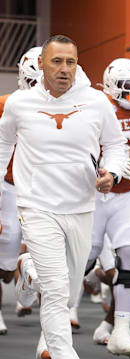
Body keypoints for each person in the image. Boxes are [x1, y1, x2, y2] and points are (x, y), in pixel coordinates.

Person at [0, 35, 130, 359]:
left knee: (69, 291)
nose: (64, 69)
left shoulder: (96, 101)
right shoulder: (20, 103)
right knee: (58, 290)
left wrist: (111, 173)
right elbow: (3, 145)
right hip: (36, 206)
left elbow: (116, 146)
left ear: (78, 65)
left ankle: (29, 271)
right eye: (56, 62)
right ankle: (62, 353)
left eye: (70, 62)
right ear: (42, 64)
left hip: (82, 206)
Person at [84, 58, 130, 358]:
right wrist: (105, 167)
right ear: (111, 86)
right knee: (82, 259)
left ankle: (121, 332)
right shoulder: (96, 106)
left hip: (129, 195)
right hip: (96, 194)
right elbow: (79, 148)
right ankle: (53, 328)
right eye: (124, 87)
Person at [0, 45, 42, 335]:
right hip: (9, 185)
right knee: (3, 267)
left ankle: (29, 272)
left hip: (43, 189)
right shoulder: (6, 104)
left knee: (47, 248)